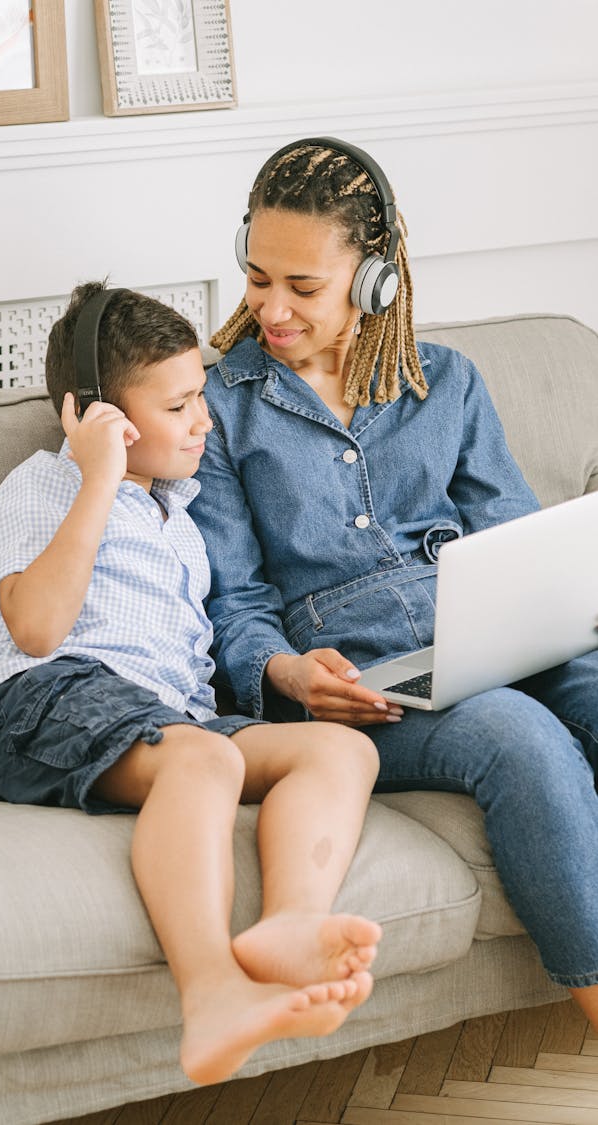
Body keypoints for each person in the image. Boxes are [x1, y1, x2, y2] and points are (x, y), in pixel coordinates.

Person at [190, 137, 598, 1028]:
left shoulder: (444, 383)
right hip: (362, 692)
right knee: (518, 738)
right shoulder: (220, 409)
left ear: (375, 279)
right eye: (258, 277)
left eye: (304, 287)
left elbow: (522, 539)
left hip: (492, 641)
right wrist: (288, 673)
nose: (272, 307)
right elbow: (235, 603)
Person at [0, 281, 382, 1087]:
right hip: (40, 696)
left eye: (200, 400)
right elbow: (38, 630)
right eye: (181, 405)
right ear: (92, 415)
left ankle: (292, 921)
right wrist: (96, 475)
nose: (203, 421)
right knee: (204, 761)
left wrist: (288, 670)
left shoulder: (180, 515)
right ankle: (211, 992)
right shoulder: (42, 485)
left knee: (340, 751)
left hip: (163, 716)